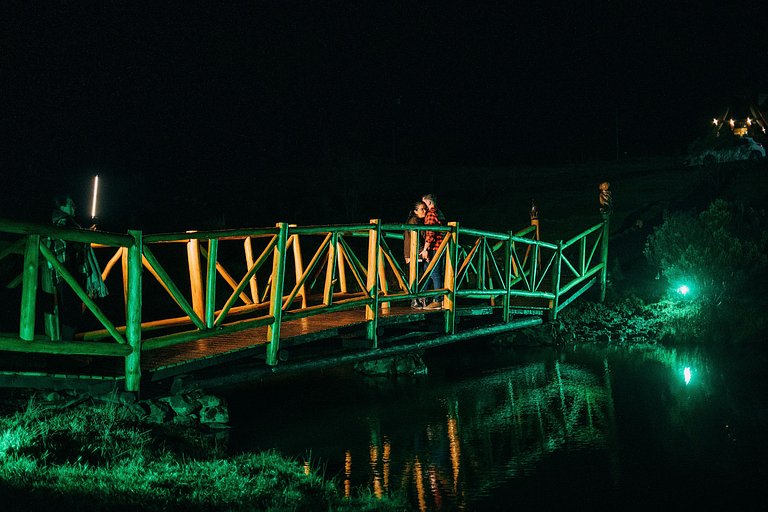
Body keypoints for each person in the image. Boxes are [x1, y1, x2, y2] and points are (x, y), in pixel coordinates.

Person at [48, 194, 107, 341]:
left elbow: (74, 239)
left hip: (68, 272)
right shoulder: (62, 221)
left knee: (71, 312)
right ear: (62, 206)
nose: (75, 207)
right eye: (71, 204)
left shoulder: (64, 221)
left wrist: (86, 234)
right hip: (67, 272)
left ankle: (66, 350)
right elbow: (72, 240)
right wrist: (86, 235)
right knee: (71, 314)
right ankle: (65, 352)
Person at [419, 193, 445, 309]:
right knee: (428, 272)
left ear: (428, 203)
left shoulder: (430, 214)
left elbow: (430, 233)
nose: (423, 207)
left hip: (435, 247)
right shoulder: (439, 213)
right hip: (439, 246)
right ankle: (422, 297)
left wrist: (425, 249)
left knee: (434, 273)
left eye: (424, 204)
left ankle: (438, 300)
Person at [404, 200, 427, 308]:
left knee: (420, 276)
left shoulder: (418, 221)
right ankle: (414, 300)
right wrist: (422, 252)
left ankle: (419, 299)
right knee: (415, 277)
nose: (425, 211)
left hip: (415, 253)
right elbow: (415, 239)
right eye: (422, 209)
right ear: (415, 211)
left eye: (425, 208)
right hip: (414, 253)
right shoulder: (414, 221)